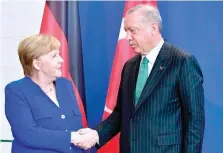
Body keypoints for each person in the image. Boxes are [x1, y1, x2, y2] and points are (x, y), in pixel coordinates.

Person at [75, 4, 205, 153]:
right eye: (126, 31)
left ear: (153, 28)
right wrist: (96, 135)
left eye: (133, 30)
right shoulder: (129, 66)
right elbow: (120, 114)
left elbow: (195, 120)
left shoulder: (182, 62)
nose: (128, 37)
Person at [4, 34, 96, 153]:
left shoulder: (65, 85)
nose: (61, 60)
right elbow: (28, 134)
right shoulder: (16, 90)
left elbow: (72, 125)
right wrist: (73, 137)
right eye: (54, 56)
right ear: (36, 64)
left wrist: (85, 134)